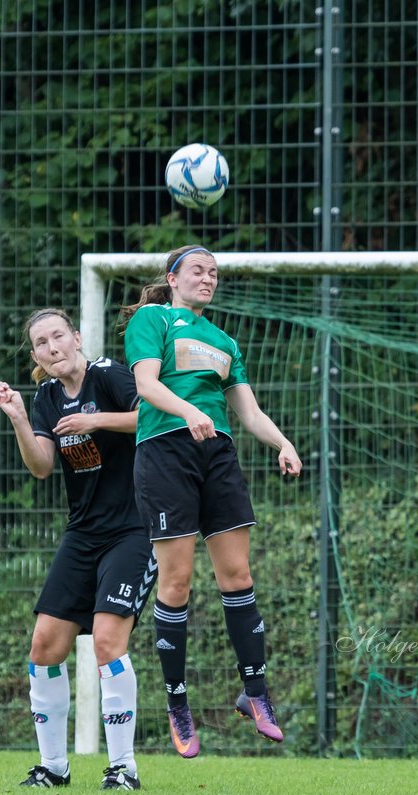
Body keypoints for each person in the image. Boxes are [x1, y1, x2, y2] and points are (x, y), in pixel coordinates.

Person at [119, 245, 302, 758]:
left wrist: (283, 442)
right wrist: (186, 412)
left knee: (238, 577)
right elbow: (146, 384)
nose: (208, 278)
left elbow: (249, 412)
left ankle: (255, 693)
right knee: (177, 582)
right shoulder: (153, 318)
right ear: (173, 278)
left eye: (214, 272)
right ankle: (178, 704)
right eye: (198, 270)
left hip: (216, 453)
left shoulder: (223, 340)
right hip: (164, 452)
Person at [0, 307, 156, 791]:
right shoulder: (45, 396)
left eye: (58, 336)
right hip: (83, 534)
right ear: (36, 355)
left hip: (133, 529)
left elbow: (149, 414)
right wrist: (22, 419)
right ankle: (53, 768)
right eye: (41, 343)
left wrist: (95, 420)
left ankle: (123, 768)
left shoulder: (108, 375)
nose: (52, 347)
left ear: (77, 337)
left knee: (108, 642)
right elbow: (42, 465)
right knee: (44, 647)